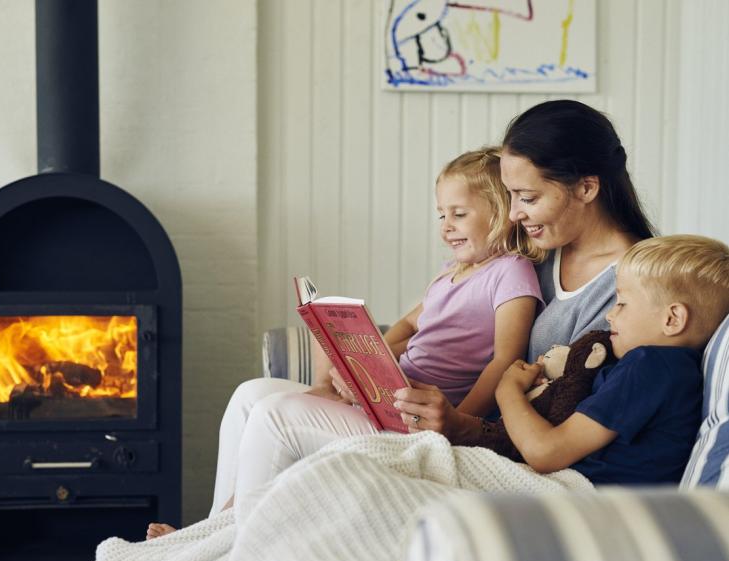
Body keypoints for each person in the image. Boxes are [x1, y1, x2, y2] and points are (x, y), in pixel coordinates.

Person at [147, 147, 545, 538]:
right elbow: (408, 324)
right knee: (251, 394)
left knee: (274, 413)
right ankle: (215, 529)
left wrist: (456, 425)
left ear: (500, 212)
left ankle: (226, 540)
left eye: (459, 214)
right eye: (442, 214)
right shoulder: (452, 273)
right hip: (387, 401)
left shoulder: (511, 273)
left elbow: (504, 362)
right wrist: (370, 360)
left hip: (414, 427)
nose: (446, 226)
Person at [392, 99, 657, 443]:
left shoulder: (632, 286)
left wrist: (461, 424)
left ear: (586, 188)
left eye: (527, 198)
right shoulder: (534, 251)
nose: (513, 213)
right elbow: (432, 319)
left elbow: (574, 417)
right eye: (509, 196)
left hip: (509, 448)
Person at [495, 235, 729, 484]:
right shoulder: (677, 371)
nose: (609, 315)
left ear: (672, 319)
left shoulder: (650, 365)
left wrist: (508, 390)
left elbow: (545, 453)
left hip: (583, 492)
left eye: (622, 303)